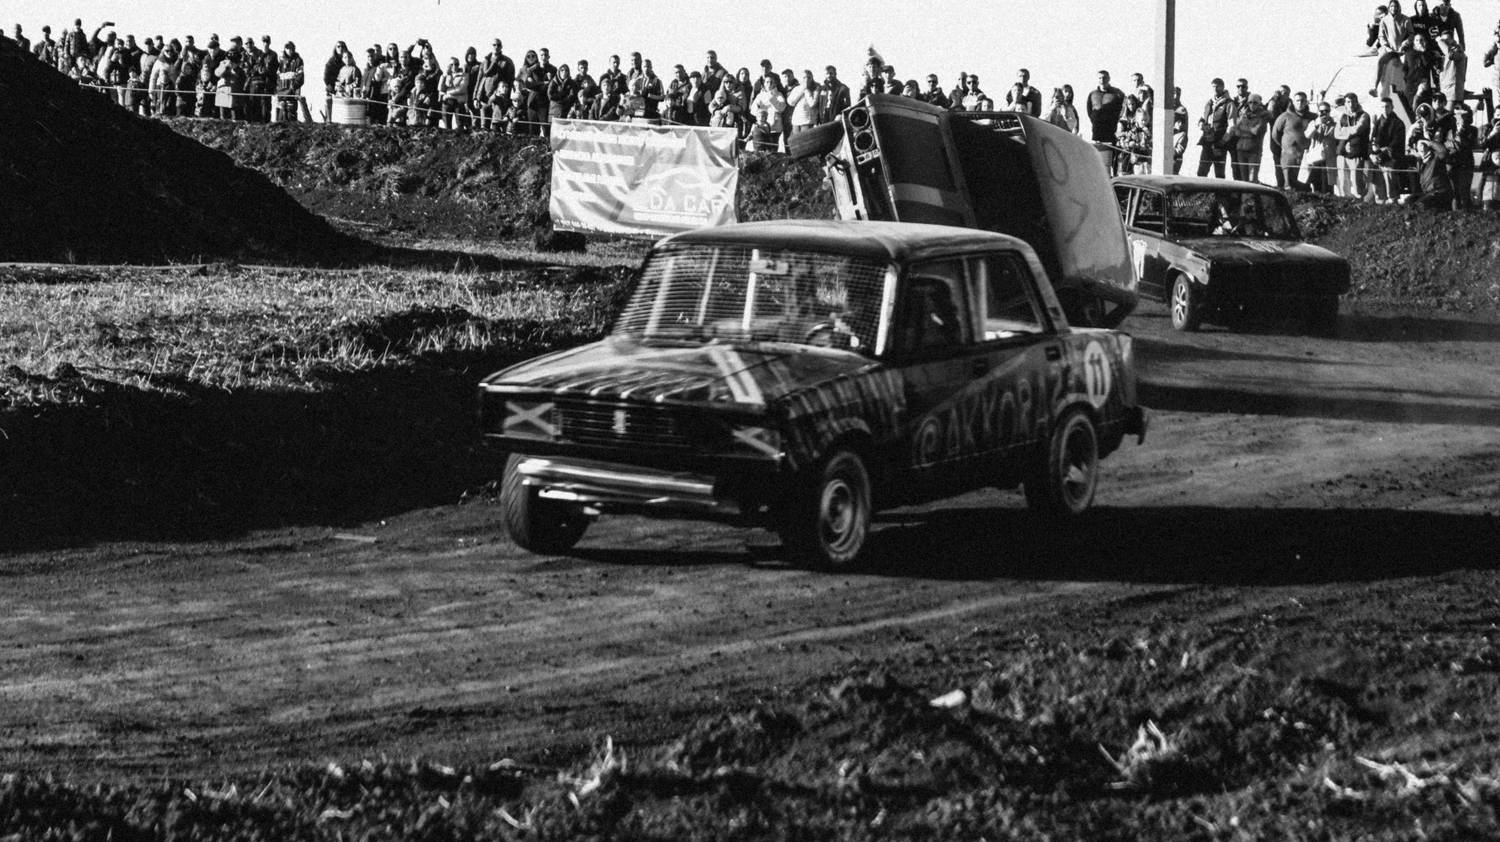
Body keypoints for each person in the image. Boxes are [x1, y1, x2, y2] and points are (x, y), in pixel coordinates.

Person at [1272, 91, 1314, 190]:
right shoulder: (1284, 116)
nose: (1300, 103)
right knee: (1289, 185)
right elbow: (1275, 134)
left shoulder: (1312, 117)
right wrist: (1286, 145)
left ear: (1306, 102)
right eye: (1297, 100)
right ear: (1293, 102)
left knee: (1305, 186)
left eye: (1302, 101)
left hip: (1306, 156)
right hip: (1289, 156)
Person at [1335, 92, 1373, 199]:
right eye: (1348, 102)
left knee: (1357, 184)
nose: (1351, 104)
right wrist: (1348, 132)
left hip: (1356, 153)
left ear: (1357, 102)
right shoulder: (1342, 116)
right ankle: (1345, 203)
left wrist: (1344, 130)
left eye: (1353, 101)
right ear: (1345, 103)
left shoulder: (1364, 115)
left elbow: (1358, 129)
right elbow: (1336, 133)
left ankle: (1360, 203)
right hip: (1342, 153)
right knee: (1343, 183)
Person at [1086, 70, 1126, 170]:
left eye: (1104, 77)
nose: (1102, 80)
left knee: (1110, 161)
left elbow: (1123, 109)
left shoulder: (1117, 93)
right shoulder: (1092, 94)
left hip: (1111, 132)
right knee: (1098, 162)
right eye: (1100, 78)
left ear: (1109, 78)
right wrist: (1095, 120)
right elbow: (1089, 110)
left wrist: (1116, 121)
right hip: (1097, 132)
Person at [1370, 96, 1408, 200]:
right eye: (1382, 107)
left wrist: (1381, 155)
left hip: (1390, 158)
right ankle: (1380, 201)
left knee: (1390, 187)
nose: (1385, 109)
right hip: (1377, 158)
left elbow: (1396, 144)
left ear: (1392, 107)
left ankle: (1393, 201)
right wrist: (1372, 154)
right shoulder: (1378, 122)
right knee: (1378, 188)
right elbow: (1372, 139)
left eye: (1387, 107)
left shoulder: (1398, 123)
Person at [1197, 77, 1233, 177]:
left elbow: (1232, 125)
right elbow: (1202, 118)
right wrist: (1201, 125)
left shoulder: (1229, 103)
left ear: (1223, 87)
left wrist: (1223, 140)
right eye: (1213, 87)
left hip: (1220, 143)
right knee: (1201, 172)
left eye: (1218, 87)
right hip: (1207, 142)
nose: (1215, 89)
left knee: (1219, 174)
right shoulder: (1209, 102)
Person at [1230, 93, 1270, 182]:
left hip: (1254, 150)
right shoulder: (1244, 115)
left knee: (1252, 179)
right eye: (1250, 102)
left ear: (1259, 104)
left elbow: (1256, 131)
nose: (1252, 105)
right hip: (1241, 149)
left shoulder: (1263, 116)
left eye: (1255, 102)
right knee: (1244, 179)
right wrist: (1247, 129)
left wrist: (1242, 128)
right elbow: (1235, 131)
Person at [750, 70, 787, 151]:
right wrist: (759, 111)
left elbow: (781, 108)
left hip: (774, 127)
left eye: (771, 82)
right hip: (762, 127)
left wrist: (771, 97)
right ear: (764, 83)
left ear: (775, 84)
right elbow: (753, 110)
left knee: (772, 149)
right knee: (761, 148)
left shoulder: (779, 95)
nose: (769, 84)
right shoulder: (760, 95)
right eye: (767, 82)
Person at [1266, 85, 1292, 187]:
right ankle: (1280, 184)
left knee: (1288, 163)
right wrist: (1274, 99)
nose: (1282, 95)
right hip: (1275, 138)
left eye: (1285, 93)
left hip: (1288, 138)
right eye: (1280, 92)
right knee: (1277, 163)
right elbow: (1269, 115)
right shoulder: (1273, 103)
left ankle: (1288, 184)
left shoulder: (1292, 105)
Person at [441, 56, 470, 129]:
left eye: (456, 64)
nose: (454, 66)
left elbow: (461, 89)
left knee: (460, 125)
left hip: (458, 101)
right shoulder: (446, 75)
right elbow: (440, 88)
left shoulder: (464, 75)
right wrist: (444, 76)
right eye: (451, 64)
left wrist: (448, 92)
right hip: (447, 101)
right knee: (446, 125)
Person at [788, 70, 817, 136]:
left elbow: (812, 104)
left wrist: (806, 90)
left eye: (809, 77)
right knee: (796, 140)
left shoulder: (815, 89)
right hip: (796, 121)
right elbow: (791, 102)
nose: (806, 79)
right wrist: (802, 90)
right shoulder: (796, 89)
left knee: (806, 141)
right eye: (804, 77)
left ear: (812, 78)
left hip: (808, 121)